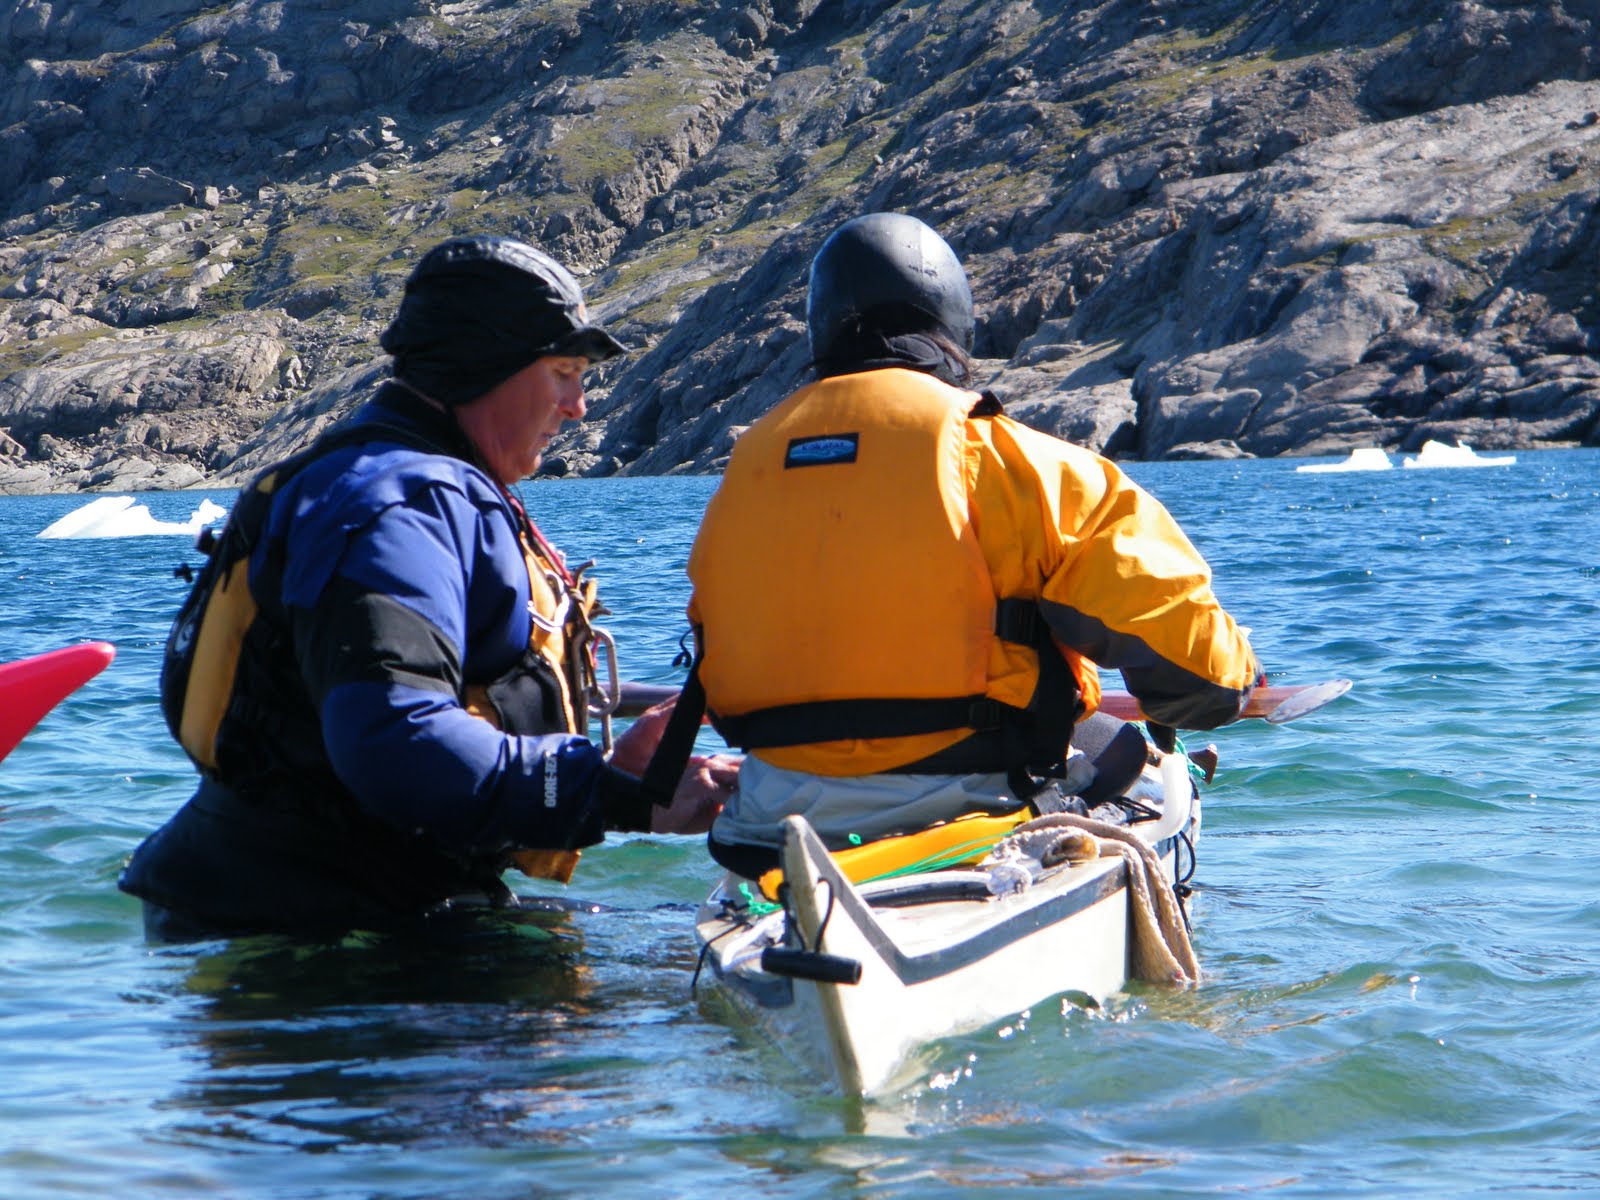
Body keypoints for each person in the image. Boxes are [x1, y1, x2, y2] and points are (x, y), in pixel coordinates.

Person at [120, 234, 737, 939]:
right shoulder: (399, 505)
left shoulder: (399, 479)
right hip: (313, 939)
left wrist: (660, 757)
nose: (578, 407)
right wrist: (616, 795)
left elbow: (440, 700)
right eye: (565, 371)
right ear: (485, 367)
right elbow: (393, 739)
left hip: (317, 903)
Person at [678, 212, 1261, 877]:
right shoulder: (1020, 465)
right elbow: (1199, 678)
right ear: (953, 328)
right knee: (1137, 760)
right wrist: (1239, 680)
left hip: (769, 818)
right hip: (973, 813)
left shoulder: (742, 477)